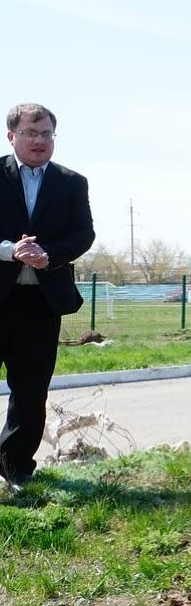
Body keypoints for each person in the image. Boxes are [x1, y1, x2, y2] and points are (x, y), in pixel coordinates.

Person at [0, 103, 95, 487]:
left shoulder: (72, 182)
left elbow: (83, 233)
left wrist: (49, 255)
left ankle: (14, 468)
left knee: (31, 388)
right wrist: (10, 251)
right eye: (30, 133)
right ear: (12, 136)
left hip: (41, 302)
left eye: (46, 134)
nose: (39, 141)